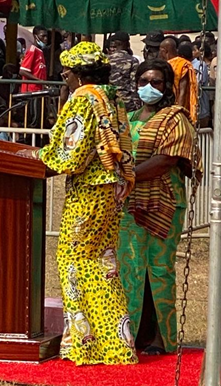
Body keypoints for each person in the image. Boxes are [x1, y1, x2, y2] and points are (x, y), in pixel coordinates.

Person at [19, 42, 137, 366]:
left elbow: (72, 155)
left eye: (67, 72)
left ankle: (82, 346)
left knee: (73, 260)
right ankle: (116, 345)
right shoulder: (111, 96)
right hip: (112, 189)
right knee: (103, 265)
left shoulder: (83, 99)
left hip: (89, 193)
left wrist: (37, 156)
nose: (63, 76)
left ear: (79, 73)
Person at [117, 59, 202, 355]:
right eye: (143, 82)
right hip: (130, 205)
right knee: (130, 269)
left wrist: (129, 175)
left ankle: (160, 337)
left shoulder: (175, 118)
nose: (148, 88)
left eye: (156, 82)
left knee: (159, 269)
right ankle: (133, 334)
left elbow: (168, 159)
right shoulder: (127, 118)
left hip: (164, 204)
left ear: (166, 87)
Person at [159, 37, 198, 121]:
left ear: (165, 51)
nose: (159, 53)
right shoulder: (165, 65)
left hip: (179, 108)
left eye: (160, 50)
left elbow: (182, 91)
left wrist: (178, 112)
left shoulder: (182, 64)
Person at [108, 31, 141, 113]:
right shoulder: (132, 60)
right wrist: (137, 104)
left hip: (110, 102)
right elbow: (134, 84)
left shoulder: (106, 60)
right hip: (128, 104)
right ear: (125, 44)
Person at [19, 25, 48, 92]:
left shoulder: (40, 51)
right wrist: (40, 81)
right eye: (42, 36)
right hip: (31, 91)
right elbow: (23, 71)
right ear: (35, 36)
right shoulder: (33, 50)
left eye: (46, 36)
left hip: (39, 89)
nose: (45, 38)